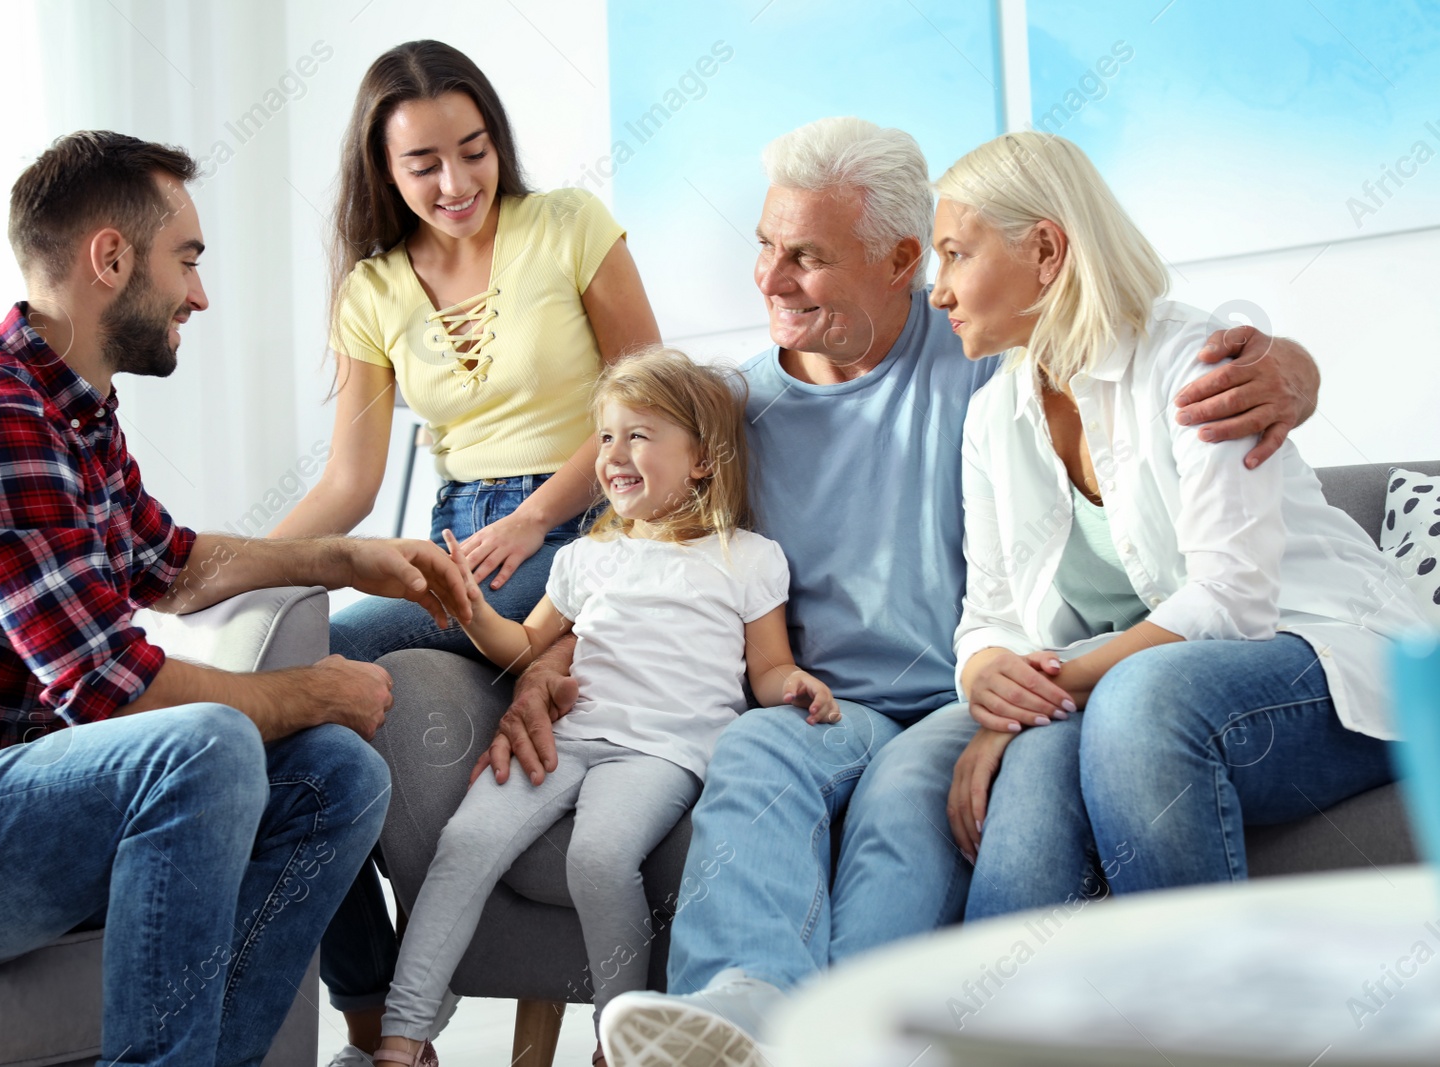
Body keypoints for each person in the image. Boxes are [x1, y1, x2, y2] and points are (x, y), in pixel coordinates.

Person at [424, 118, 1325, 1067]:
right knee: (757, 751)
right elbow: (643, 548)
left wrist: (1292, 370)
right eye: (765, 247)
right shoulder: (731, 412)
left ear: (901, 261)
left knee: (903, 804)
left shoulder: (985, 350)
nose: (769, 279)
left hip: (955, 697)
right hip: (816, 702)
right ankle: (736, 1006)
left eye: (805, 257)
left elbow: (1118, 335)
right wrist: (550, 658)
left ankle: (854, 1037)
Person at [0, 131, 470, 1064]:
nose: (200, 294)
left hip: (22, 809)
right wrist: (310, 690)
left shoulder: (74, 409)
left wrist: (344, 557)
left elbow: (172, 568)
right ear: (111, 257)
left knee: (338, 775)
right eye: (188, 260)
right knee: (202, 745)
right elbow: (112, 691)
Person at [929, 131, 1423, 920]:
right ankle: (1003, 1032)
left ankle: (1210, 1030)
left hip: (1337, 657)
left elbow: (1230, 600)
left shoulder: (1195, 362)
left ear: (1047, 250)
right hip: (1155, 675)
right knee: (1038, 754)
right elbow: (988, 615)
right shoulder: (992, 417)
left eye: (955, 253)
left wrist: (1042, 688)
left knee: (1136, 702)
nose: (938, 289)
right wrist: (988, 681)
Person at [287, 41, 662, 1058]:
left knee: (326, 667)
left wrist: (537, 515)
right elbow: (350, 482)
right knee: (289, 691)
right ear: (383, 170)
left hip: (591, 519)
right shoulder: (370, 290)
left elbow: (649, 409)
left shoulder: (569, 227)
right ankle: (370, 1013)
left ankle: (381, 1022)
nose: (455, 184)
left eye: (474, 150)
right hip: (460, 544)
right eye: (423, 165)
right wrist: (233, 572)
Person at [369, 348, 836, 1067]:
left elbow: (768, 667)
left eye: (640, 435)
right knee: (465, 841)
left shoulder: (747, 556)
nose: (615, 454)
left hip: (664, 752)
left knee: (599, 855)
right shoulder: (587, 556)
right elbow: (526, 645)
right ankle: (401, 1039)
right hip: (574, 735)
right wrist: (466, 605)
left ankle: (618, 1041)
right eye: (608, 436)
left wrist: (794, 685)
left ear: (703, 459)